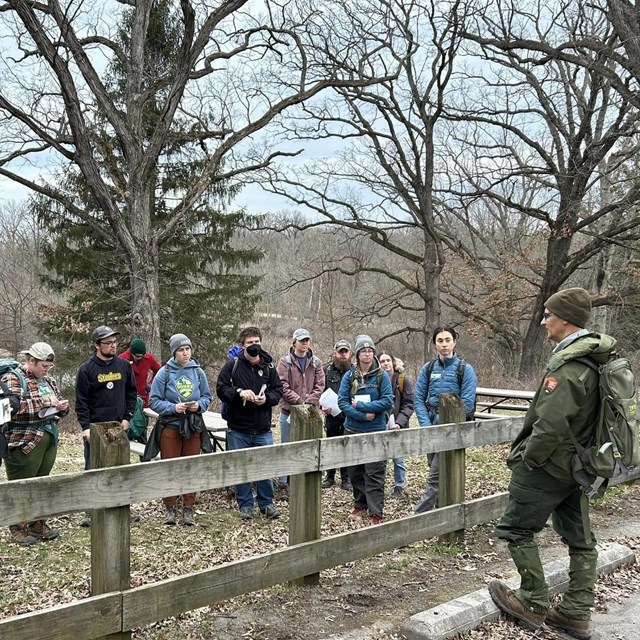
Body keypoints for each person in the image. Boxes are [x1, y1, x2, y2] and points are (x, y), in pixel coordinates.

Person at [488, 288, 612, 640]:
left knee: (515, 528)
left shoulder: (570, 367)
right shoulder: (594, 359)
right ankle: (575, 612)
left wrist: (529, 460)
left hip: (550, 468)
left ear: (566, 319)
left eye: (548, 315)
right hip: (577, 468)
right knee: (581, 538)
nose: (544, 321)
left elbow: (550, 424)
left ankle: (533, 601)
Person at [2, 343, 69, 545]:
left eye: (49, 366)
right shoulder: (13, 378)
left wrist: (62, 407)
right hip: (23, 439)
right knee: (21, 484)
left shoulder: (48, 380)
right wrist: (47, 403)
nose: (46, 370)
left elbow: (57, 402)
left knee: (42, 481)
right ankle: (17, 527)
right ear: (31, 360)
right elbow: (11, 408)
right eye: (43, 366)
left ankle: (37, 523)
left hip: (48, 434)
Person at [216, 326, 283, 521]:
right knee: (240, 467)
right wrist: (238, 393)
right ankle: (245, 505)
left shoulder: (269, 367)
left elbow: (278, 391)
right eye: (250, 343)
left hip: (262, 427)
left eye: (257, 343)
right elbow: (221, 389)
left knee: (265, 467)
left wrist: (267, 399)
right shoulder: (233, 365)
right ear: (242, 345)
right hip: (239, 427)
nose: (254, 346)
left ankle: (267, 504)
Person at [75, 325, 137, 526]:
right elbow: (81, 402)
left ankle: (121, 507)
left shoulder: (123, 366)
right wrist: (85, 427)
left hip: (118, 426)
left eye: (114, 342)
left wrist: (128, 417)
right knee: (93, 469)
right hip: (95, 428)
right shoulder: (86, 370)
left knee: (120, 469)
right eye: (108, 343)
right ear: (96, 345)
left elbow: (131, 393)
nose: (113, 346)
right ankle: (91, 511)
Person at [149, 333, 212, 526]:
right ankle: (170, 508)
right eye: (181, 350)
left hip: (192, 426)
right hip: (171, 426)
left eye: (188, 349)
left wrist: (198, 406)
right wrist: (173, 408)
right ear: (174, 352)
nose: (185, 353)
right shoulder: (164, 373)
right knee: (170, 467)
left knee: (190, 466)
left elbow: (207, 397)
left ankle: (188, 508)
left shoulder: (198, 372)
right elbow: (153, 400)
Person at [413, 327, 477, 514]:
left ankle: (418, 517)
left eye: (447, 340)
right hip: (431, 428)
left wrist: (446, 425)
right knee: (439, 472)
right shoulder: (428, 368)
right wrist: (426, 425)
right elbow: (418, 399)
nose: (444, 344)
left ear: (454, 342)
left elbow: (467, 403)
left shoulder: (465, 369)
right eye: (440, 340)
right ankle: (442, 514)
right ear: (435, 344)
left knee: (435, 477)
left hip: (451, 430)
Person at [338, 335, 393, 525]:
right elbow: (342, 402)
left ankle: (376, 511)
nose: (367, 354)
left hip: (375, 431)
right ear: (358, 354)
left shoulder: (381, 376)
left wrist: (362, 407)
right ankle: (360, 504)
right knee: (355, 471)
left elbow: (387, 400)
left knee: (374, 472)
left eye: (370, 350)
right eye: (363, 351)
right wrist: (361, 416)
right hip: (352, 430)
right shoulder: (349, 375)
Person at [276, 328, 325, 496]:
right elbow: (282, 385)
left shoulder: (316, 362)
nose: (304, 343)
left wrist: (310, 401)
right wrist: (299, 401)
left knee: (309, 447)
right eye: (301, 340)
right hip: (289, 412)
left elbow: (320, 385)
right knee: (287, 447)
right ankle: (284, 484)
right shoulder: (285, 362)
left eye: (307, 340)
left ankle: (305, 481)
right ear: (294, 342)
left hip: (310, 412)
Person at [379, 353, 414, 498]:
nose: (386, 363)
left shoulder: (402, 380)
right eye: (382, 361)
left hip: (398, 424)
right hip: (381, 423)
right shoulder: (377, 379)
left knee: (398, 457)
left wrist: (399, 422)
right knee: (380, 458)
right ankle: (379, 486)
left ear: (393, 363)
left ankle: (399, 486)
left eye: (388, 360)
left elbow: (409, 404)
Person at [320, 340, 353, 490]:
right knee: (331, 446)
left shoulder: (355, 371)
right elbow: (319, 392)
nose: (343, 355)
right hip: (332, 416)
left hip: (350, 415)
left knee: (347, 446)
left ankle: (346, 478)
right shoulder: (325, 370)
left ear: (350, 354)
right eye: (340, 352)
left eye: (345, 352)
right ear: (334, 354)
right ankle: (330, 476)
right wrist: (322, 406)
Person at [118, 339, 161, 408]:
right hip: (126, 398)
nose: (139, 358)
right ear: (131, 352)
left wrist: (151, 384)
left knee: (144, 417)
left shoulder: (149, 358)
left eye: (142, 356)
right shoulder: (121, 359)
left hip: (143, 397)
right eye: (137, 356)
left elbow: (159, 371)